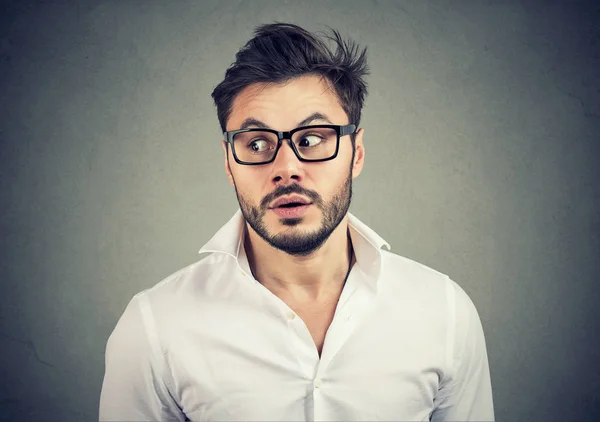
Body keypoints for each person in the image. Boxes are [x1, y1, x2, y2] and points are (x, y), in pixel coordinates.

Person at [99, 23, 495, 422]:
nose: (286, 168)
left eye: (312, 139)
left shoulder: (444, 313)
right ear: (228, 162)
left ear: (356, 153)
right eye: (257, 144)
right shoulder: (153, 328)